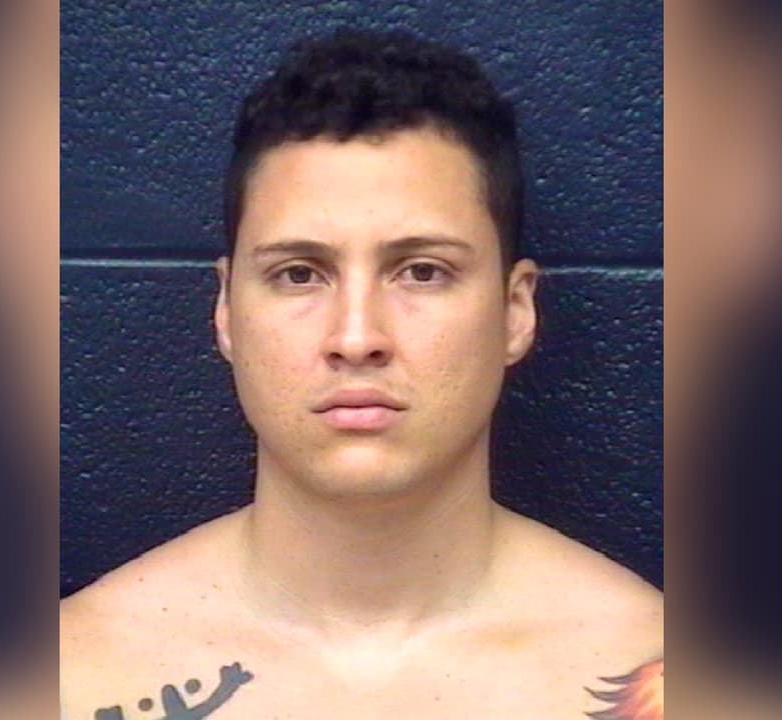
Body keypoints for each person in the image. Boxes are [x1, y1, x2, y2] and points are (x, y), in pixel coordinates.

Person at [61, 28, 662, 719]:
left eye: (423, 272)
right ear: (226, 310)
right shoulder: (72, 676)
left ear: (515, 311)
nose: (356, 338)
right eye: (298, 274)